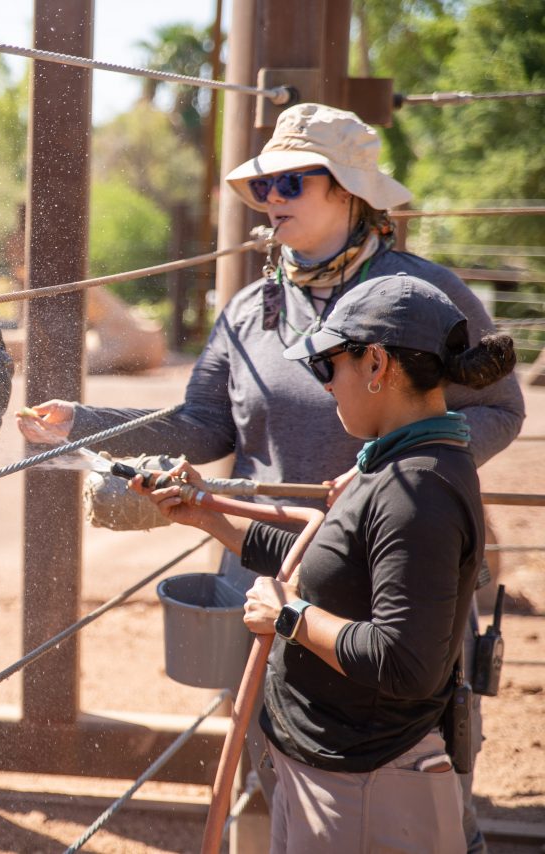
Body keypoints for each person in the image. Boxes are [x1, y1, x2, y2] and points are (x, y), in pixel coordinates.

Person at [16, 103, 525, 852]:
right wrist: (86, 424)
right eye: (263, 187)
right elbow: (205, 425)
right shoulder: (251, 309)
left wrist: (390, 476)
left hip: (394, 564)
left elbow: (500, 408)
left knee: (416, 772)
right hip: (271, 564)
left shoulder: (422, 298)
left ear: (348, 191)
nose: (270, 200)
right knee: (274, 756)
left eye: (291, 183)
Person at [129, 275, 517, 852]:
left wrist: (289, 617)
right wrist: (205, 514)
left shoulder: (417, 491)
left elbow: (404, 662)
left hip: (364, 790)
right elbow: (329, 562)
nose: (326, 385)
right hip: (344, 776)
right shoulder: (400, 465)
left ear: (376, 363)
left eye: (326, 365)